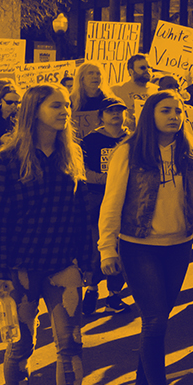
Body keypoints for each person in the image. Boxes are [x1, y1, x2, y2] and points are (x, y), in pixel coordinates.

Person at [98, 90, 193, 385]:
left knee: (160, 320)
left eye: (178, 111)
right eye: (165, 110)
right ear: (150, 115)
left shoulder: (191, 152)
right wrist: (107, 248)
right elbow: (112, 200)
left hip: (180, 244)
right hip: (137, 244)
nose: (174, 116)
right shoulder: (128, 151)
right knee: (155, 318)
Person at [0, 84, 100, 385]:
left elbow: (82, 215)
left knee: (71, 344)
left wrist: (86, 265)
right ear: (34, 110)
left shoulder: (72, 154)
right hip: (18, 270)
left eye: (67, 105)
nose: (64, 111)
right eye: (56, 105)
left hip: (62, 266)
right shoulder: (8, 159)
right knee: (20, 347)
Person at [79, 96, 129, 314]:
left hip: (126, 200)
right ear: (101, 116)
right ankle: (91, 289)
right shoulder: (90, 140)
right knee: (95, 245)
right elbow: (83, 172)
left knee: (121, 247)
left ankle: (114, 295)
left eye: (119, 110)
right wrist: (110, 180)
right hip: (97, 198)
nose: (116, 114)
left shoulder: (132, 139)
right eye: (110, 111)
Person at [111, 54, 154, 126]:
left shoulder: (157, 90)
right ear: (131, 71)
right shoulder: (116, 90)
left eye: (149, 67)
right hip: (127, 134)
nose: (147, 70)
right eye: (142, 68)